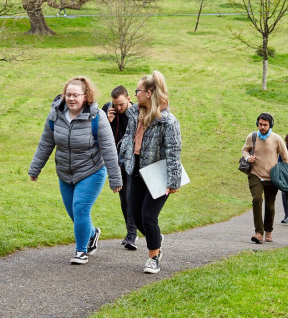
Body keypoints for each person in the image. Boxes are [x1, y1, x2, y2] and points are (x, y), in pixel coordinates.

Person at [28, 76, 123, 265]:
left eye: (75, 95)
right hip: (65, 172)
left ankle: (81, 251)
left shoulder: (97, 117)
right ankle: (92, 233)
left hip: (92, 171)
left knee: (80, 208)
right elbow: (46, 142)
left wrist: (115, 178)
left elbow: (109, 149)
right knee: (74, 213)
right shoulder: (55, 114)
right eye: (68, 95)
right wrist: (35, 168)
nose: (71, 99)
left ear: (86, 96)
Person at [118, 71, 182, 274]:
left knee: (148, 216)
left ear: (149, 93)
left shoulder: (168, 122)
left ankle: (154, 257)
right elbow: (129, 138)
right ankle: (156, 238)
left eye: (138, 90)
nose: (135, 94)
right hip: (136, 171)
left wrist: (173, 181)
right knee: (136, 217)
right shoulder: (134, 114)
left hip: (158, 175)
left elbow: (174, 153)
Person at [241, 112, 288, 244]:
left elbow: (286, 159)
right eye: (260, 124)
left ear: (270, 125)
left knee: (270, 205)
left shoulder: (276, 139)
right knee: (257, 199)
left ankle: (268, 232)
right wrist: (247, 157)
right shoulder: (252, 137)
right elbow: (244, 150)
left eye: (265, 125)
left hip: (272, 178)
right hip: (255, 174)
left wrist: (281, 174)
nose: (262, 127)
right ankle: (259, 232)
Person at [101, 85, 138, 250]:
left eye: (122, 104)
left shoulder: (137, 113)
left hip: (134, 161)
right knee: (124, 199)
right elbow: (101, 137)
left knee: (131, 197)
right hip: (117, 162)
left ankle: (132, 234)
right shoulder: (107, 110)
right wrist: (107, 122)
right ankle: (131, 233)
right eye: (116, 104)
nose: (118, 108)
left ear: (129, 99)